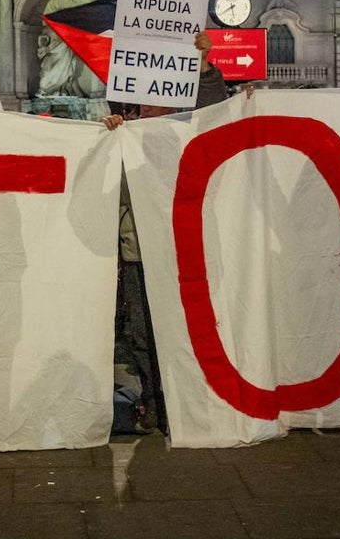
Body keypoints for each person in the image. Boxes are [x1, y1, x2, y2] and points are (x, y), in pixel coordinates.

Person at [101, 31, 227, 432]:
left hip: (185, 250)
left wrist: (203, 65)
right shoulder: (122, 133)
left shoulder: (186, 128)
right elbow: (112, 194)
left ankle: (187, 401)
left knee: (189, 329)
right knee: (143, 336)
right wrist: (109, 142)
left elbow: (215, 110)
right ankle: (154, 403)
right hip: (139, 252)